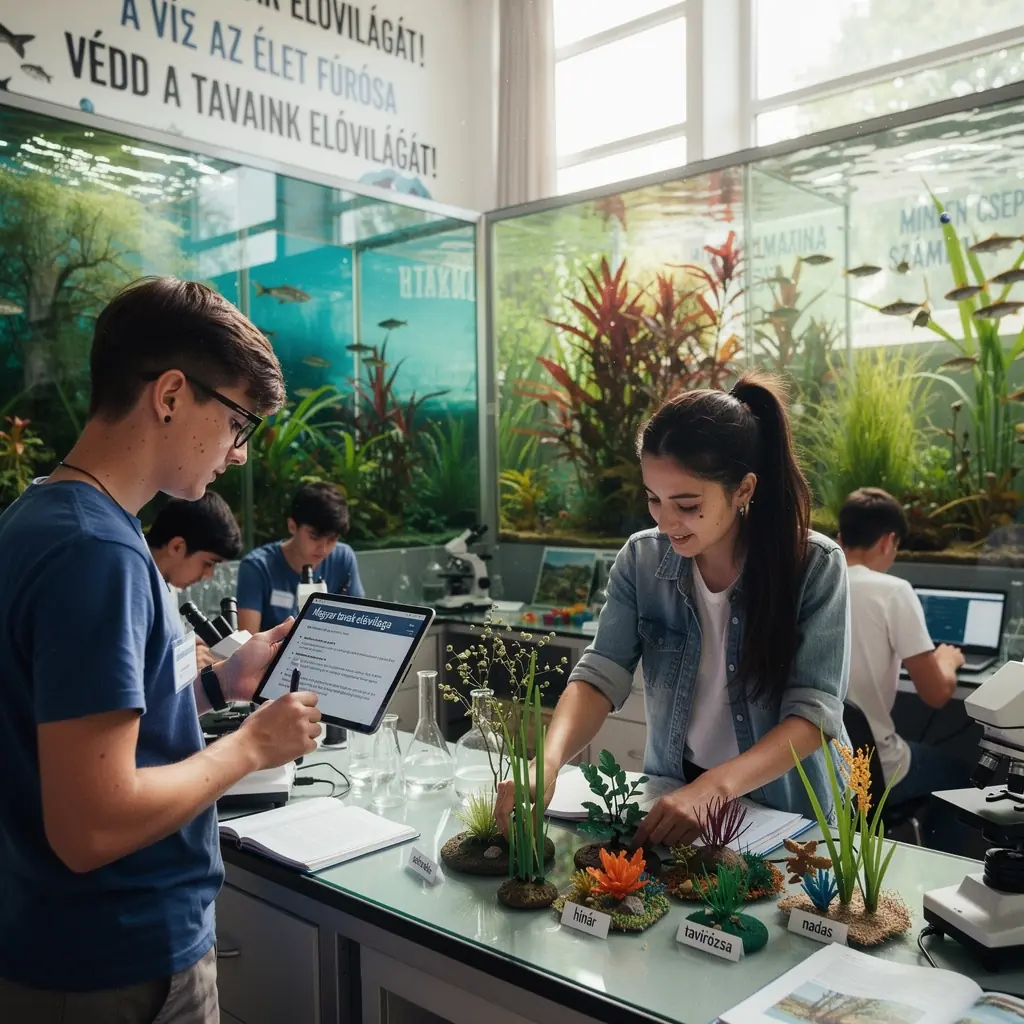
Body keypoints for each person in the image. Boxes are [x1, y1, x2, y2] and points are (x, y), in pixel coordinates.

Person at [0, 277, 322, 1023]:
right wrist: (249, 748)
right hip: (112, 962)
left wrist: (218, 688)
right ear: (171, 394)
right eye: (239, 423)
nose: (239, 455)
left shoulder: (40, 518)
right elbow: (92, 825)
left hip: (48, 941)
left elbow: (75, 728)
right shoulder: (97, 552)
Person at [497, 372, 851, 849]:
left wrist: (716, 788)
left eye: (686, 503)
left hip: (785, 809)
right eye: (653, 499)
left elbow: (814, 714)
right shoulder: (642, 560)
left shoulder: (813, 565)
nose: (665, 521)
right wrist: (549, 760)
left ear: (744, 489)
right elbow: (600, 674)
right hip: (676, 796)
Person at [838, 487, 969, 851]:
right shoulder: (893, 591)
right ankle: (942, 879)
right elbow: (937, 692)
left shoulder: (810, 582)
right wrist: (947, 659)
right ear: (889, 541)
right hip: (872, 769)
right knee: (962, 775)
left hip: (814, 767)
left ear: (839, 538)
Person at [236, 481, 363, 633]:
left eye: (331, 539)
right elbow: (248, 646)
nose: (323, 549)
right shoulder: (257, 567)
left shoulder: (343, 559)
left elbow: (358, 626)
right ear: (292, 526)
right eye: (314, 537)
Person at [148, 493, 244, 670]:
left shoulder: (164, 583)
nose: (208, 575)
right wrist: (183, 663)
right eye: (208, 563)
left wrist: (189, 647)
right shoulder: (134, 584)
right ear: (177, 547)